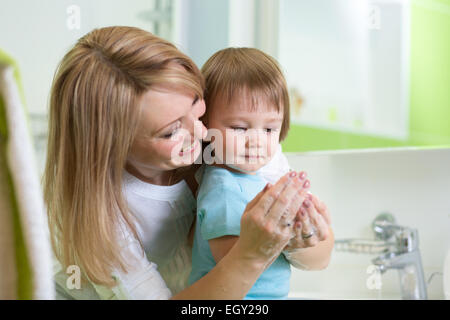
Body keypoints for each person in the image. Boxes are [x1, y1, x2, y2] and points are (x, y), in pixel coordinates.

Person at [45, 26, 332, 300]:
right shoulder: (104, 222)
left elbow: (319, 259)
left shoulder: (236, 139)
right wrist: (253, 254)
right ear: (114, 146)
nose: (203, 133)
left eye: (197, 105)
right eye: (171, 131)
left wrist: (301, 241)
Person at [188, 48, 333, 299]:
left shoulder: (263, 178)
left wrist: (304, 231)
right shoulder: (223, 188)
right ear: (205, 125)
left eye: (268, 129)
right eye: (239, 128)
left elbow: (319, 258)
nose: (255, 141)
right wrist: (286, 235)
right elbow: (233, 261)